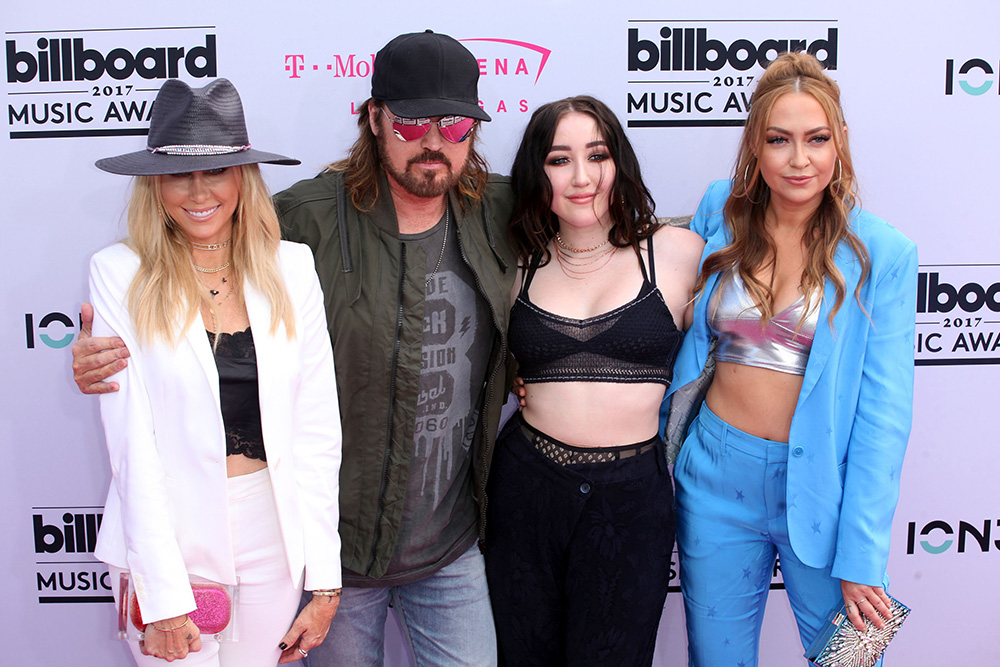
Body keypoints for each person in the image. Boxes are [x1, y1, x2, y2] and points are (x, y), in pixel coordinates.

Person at [75, 31, 515, 666]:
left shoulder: (494, 208)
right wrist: (97, 361)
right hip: (249, 535)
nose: (433, 141)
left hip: (354, 540)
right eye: (412, 120)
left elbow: (590, 246)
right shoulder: (286, 228)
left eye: (453, 124)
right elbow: (133, 438)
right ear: (373, 118)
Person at [666, 52, 918, 666]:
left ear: (841, 144)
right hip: (713, 477)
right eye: (779, 140)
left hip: (822, 490)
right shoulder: (718, 208)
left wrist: (862, 559)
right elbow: (660, 303)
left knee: (852, 660)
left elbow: (884, 418)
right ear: (755, 143)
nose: (798, 160)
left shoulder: (884, 251)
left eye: (816, 139)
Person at [87, 78, 343, 666]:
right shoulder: (118, 273)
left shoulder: (292, 267)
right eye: (179, 173)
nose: (199, 191)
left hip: (273, 535)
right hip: (167, 534)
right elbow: (131, 443)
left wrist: (324, 580)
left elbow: (317, 433)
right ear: (155, 184)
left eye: (218, 170)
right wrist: (162, 593)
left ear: (243, 179)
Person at [485, 96, 703, 666]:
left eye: (597, 155)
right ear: (538, 172)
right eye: (559, 159)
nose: (581, 178)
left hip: (632, 499)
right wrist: (514, 373)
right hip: (525, 491)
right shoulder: (515, 262)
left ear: (620, 163)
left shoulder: (679, 254)